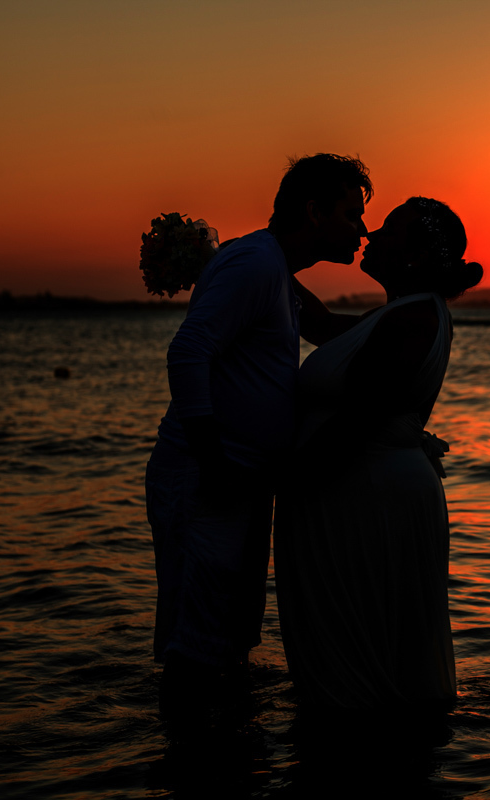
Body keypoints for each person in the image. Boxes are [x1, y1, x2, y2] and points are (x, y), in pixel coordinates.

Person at [146, 154, 372, 720]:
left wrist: (414, 311)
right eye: (352, 215)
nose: (363, 230)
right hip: (209, 477)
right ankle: (190, 762)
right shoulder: (253, 263)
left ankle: (223, 763)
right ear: (315, 212)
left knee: (227, 642)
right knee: (197, 647)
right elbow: (188, 352)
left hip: (238, 480)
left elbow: (325, 331)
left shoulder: (275, 270)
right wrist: (213, 460)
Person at [275, 197, 483, 717]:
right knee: (363, 639)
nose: (371, 235)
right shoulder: (396, 313)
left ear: (413, 256)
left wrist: (281, 480)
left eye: (388, 230)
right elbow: (319, 324)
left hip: (367, 492)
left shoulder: (412, 319)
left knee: (362, 644)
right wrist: (266, 261)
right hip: (361, 486)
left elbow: (358, 417)